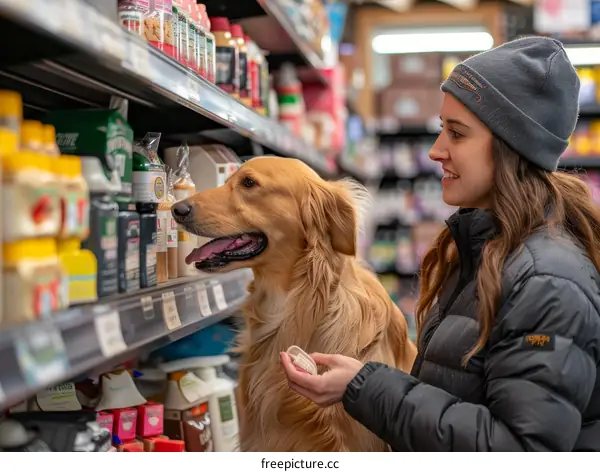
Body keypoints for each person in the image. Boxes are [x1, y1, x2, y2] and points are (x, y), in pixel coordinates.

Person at [280, 36, 600, 452]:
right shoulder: (486, 248)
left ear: (510, 146)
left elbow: (521, 449)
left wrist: (366, 387)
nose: (436, 151)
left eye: (457, 133)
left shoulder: (547, 279)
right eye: (440, 129)